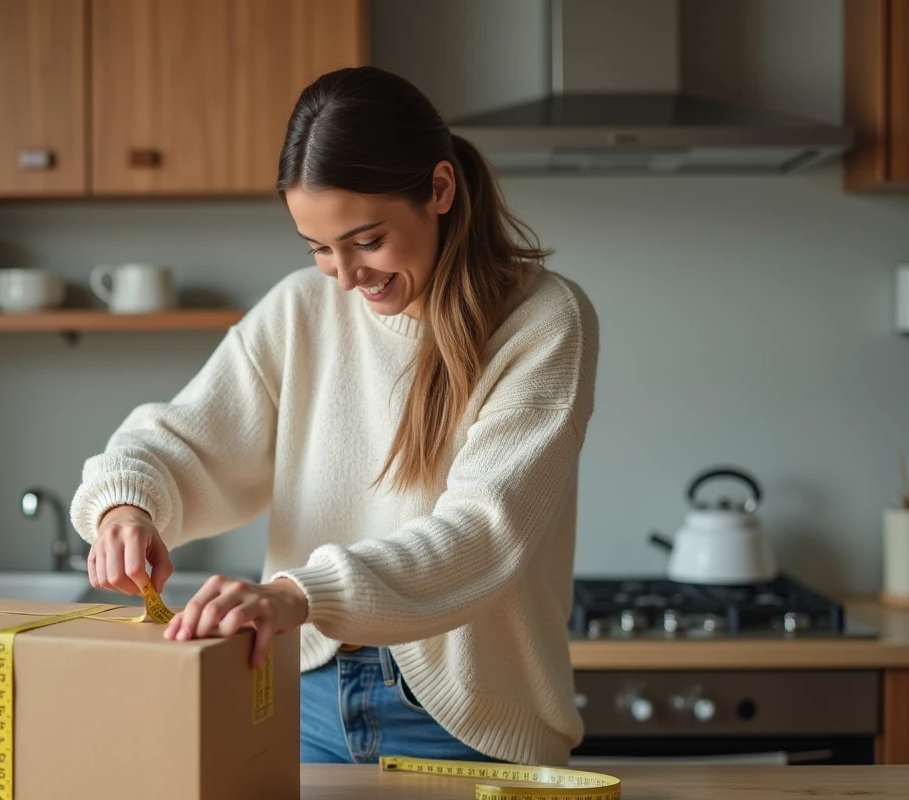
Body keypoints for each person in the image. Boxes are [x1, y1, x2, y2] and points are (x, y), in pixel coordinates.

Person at [69, 65, 598, 767]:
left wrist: (295, 594)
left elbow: (482, 534)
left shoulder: (543, 322)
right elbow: (187, 441)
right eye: (319, 248)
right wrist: (126, 506)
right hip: (295, 693)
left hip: (465, 720)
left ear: (439, 190)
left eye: (366, 240)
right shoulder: (301, 309)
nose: (346, 277)